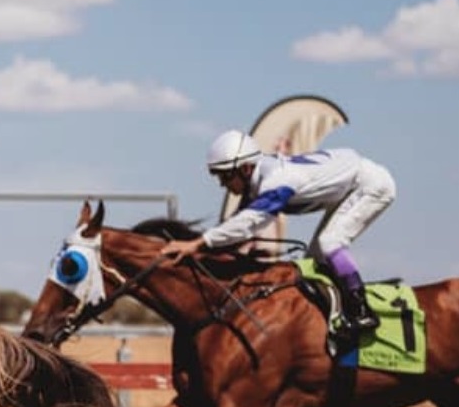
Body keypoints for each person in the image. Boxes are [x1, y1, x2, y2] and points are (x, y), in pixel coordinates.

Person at [161, 129, 396, 336]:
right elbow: (237, 228)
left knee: (330, 242)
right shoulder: (258, 178)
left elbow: (248, 223)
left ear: (244, 168)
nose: (222, 184)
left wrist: (196, 243)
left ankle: (362, 311)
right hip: (349, 186)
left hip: (371, 186)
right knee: (313, 263)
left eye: (225, 175)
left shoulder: (276, 179)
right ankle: (333, 318)